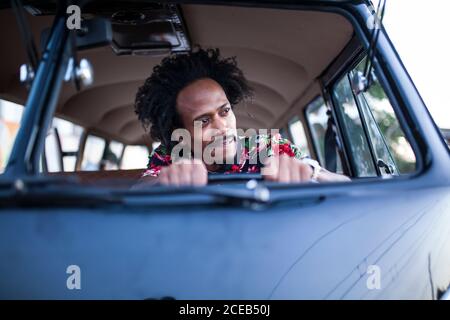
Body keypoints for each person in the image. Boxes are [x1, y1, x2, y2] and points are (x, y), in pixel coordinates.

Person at [134, 47, 349, 186]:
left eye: (225, 111)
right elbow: (139, 191)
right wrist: (166, 182)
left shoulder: (266, 147)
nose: (222, 127)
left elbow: (345, 185)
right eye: (204, 120)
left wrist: (309, 171)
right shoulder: (170, 156)